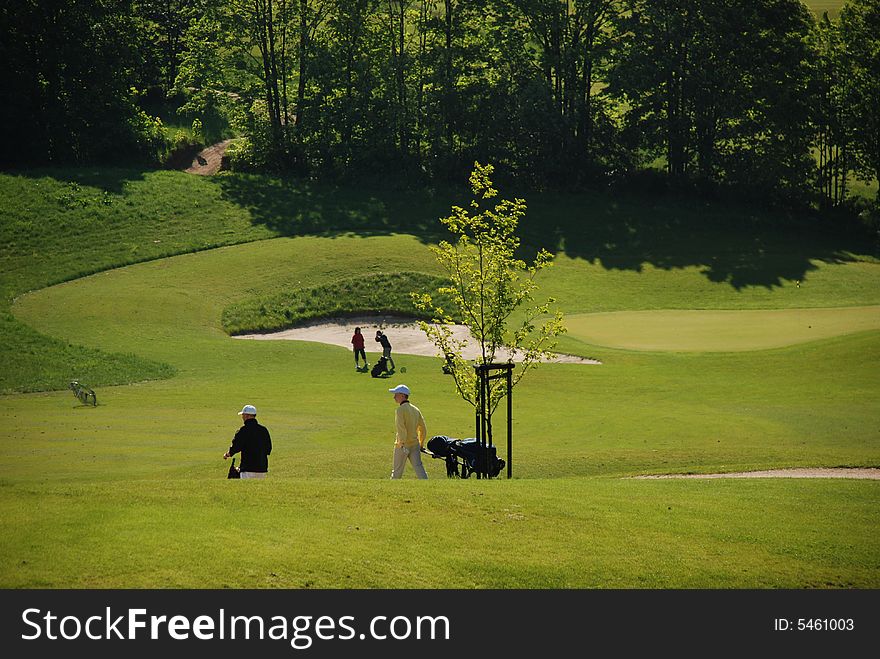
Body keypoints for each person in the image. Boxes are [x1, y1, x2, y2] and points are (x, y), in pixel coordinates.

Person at [388, 384, 428, 479]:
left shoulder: (400, 410)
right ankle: (427, 485)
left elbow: (401, 429)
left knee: (397, 471)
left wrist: (401, 443)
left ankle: (391, 489)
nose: (394, 397)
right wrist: (421, 444)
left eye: (396, 395)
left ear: (402, 395)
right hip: (414, 444)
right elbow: (423, 428)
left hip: (403, 445)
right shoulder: (415, 409)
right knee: (419, 468)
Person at [223, 404, 272, 479]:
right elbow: (268, 449)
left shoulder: (243, 430)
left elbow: (236, 446)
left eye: (243, 415)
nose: (242, 417)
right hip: (262, 468)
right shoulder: (263, 430)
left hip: (247, 469)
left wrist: (228, 454)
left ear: (247, 416)